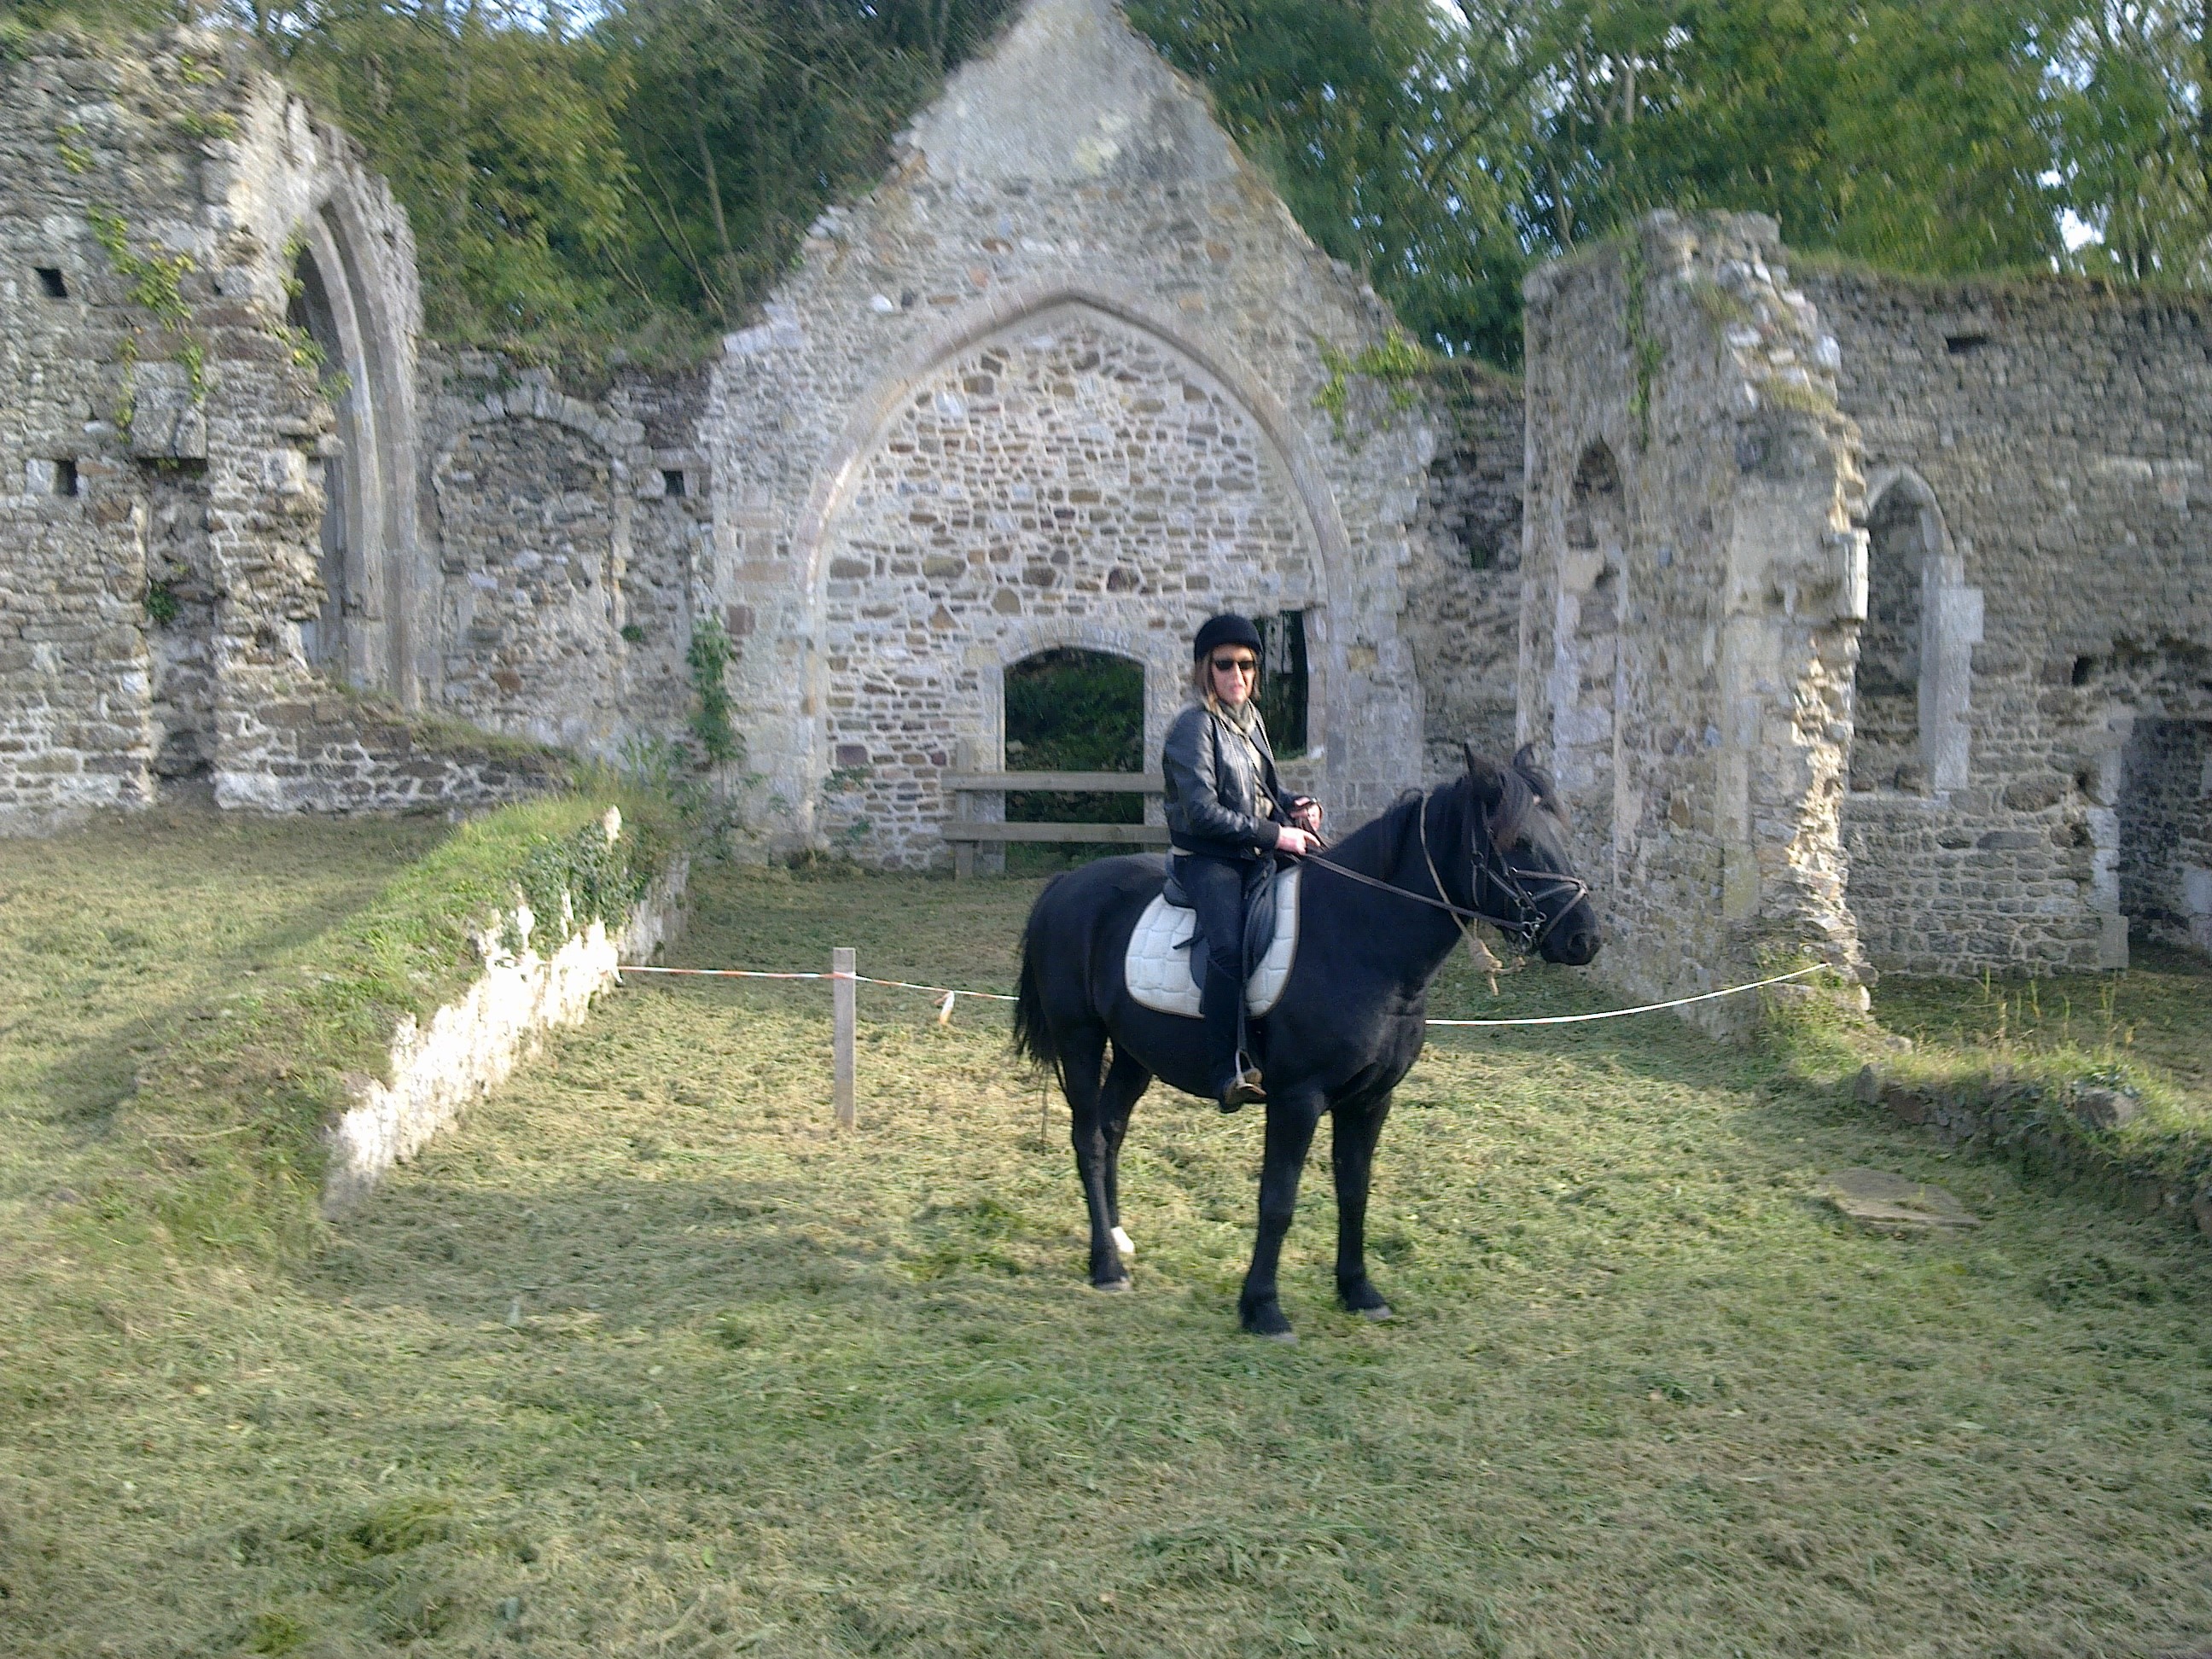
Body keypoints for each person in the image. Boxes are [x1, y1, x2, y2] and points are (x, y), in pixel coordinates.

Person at [1160, 614, 1323, 1112]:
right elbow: (1202, 812)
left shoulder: (1251, 724)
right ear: (1206, 669)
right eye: (1225, 664)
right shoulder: (1194, 726)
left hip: (1254, 850)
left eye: (1247, 665)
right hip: (1208, 859)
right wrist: (1278, 834)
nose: (1238, 675)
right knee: (1229, 948)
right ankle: (1224, 1068)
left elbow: (1264, 794)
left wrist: (1296, 805)